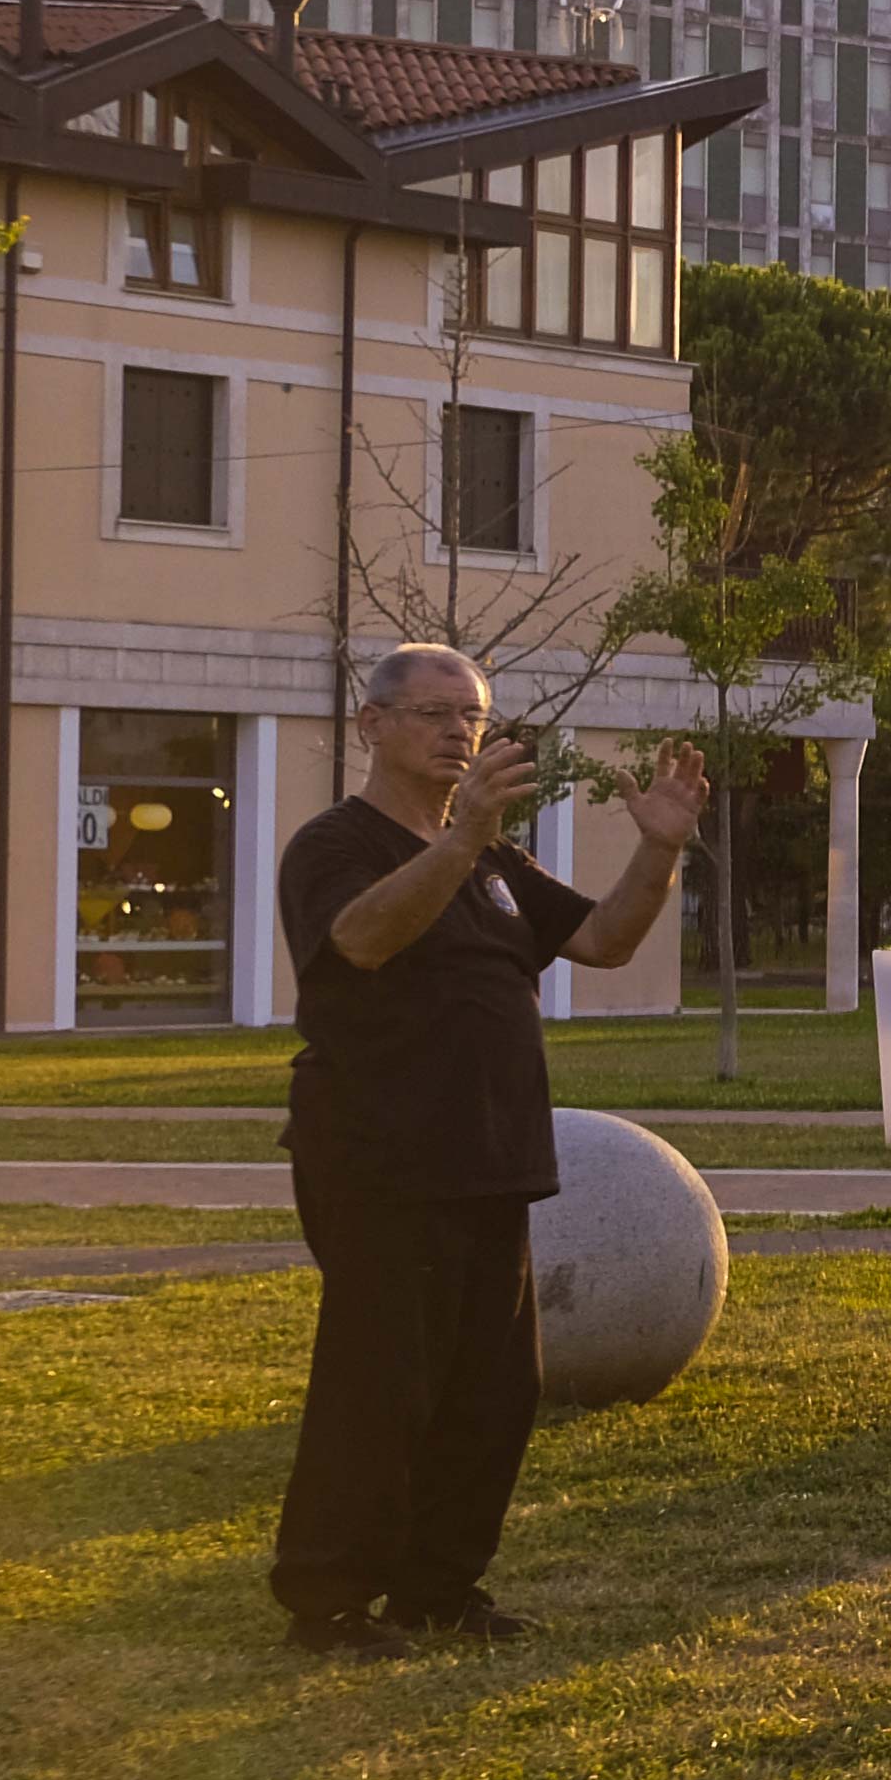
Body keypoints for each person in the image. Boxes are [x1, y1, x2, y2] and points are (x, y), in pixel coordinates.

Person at [268, 645, 702, 1656]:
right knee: (381, 1386)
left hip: (493, 1156)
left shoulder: (497, 861)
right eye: (432, 713)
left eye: (474, 716)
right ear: (371, 725)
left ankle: (437, 1587)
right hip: (382, 1159)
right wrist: (461, 840)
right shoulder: (337, 843)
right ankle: (326, 1602)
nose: (459, 732)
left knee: (489, 1392)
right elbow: (364, 941)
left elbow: (602, 942)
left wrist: (659, 850)